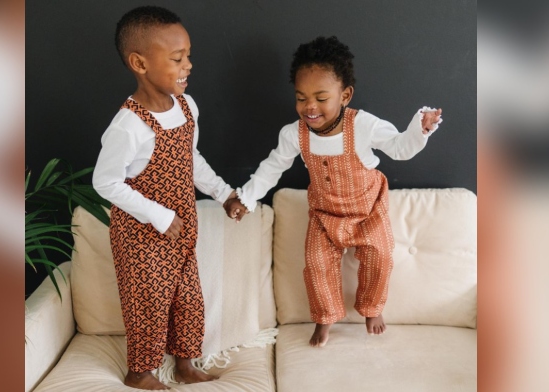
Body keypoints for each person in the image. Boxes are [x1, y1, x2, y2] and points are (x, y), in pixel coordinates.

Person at [224, 36, 442, 348]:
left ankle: (371, 309)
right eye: (301, 98)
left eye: (320, 97)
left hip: (368, 211)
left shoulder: (363, 126)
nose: (309, 107)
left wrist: (419, 128)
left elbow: (399, 148)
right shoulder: (293, 134)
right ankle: (325, 317)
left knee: (380, 256)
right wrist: (245, 197)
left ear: (345, 95)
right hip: (325, 215)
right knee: (315, 263)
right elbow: (272, 167)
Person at [93, 6, 234, 390]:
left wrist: (223, 193)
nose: (188, 65)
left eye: (188, 55)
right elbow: (105, 182)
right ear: (139, 62)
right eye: (176, 58)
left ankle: (187, 364)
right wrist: (158, 216)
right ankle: (141, 373)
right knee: (150, 302)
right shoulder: (129, 125)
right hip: (141, 234)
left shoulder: (188, 107)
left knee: (187, 297)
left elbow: (191, 160)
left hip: (182, 228)